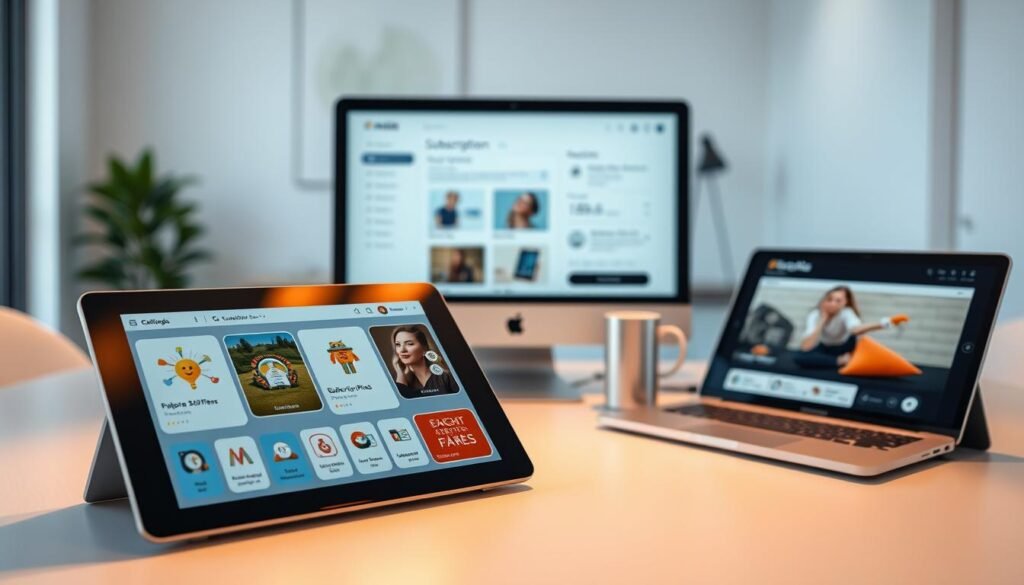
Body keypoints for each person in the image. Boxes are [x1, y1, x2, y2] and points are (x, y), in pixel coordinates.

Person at [793, 285, 909, 369]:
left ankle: (842, 360)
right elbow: (806, 346)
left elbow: (856, 329)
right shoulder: (815, 314)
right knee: (799, 357)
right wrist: (823, 320)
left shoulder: (846, 312)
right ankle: (839, 361)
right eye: (830, 299)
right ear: (824, 300)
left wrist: (885, 323)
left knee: (856, 339)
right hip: (825, 347)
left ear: (845, 303)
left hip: (845, 346)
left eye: (838, 301)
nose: (833, 304)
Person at [389, 325, 459, 398]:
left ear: (424, 348)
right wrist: (400, 372)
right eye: (398, 344)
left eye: (410, 344)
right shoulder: (398, 380)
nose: (402, 350)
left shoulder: (447, 377)